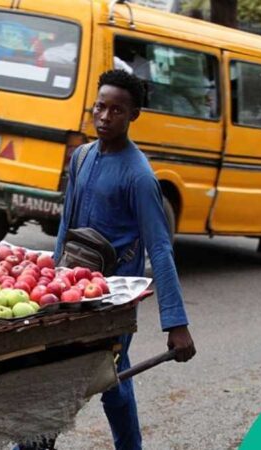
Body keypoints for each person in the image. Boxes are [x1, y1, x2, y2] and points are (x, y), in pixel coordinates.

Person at [24, 70, 197, 450]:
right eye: (100, 106)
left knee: (102, 378)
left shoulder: (138, 177)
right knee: (83, 375)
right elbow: (66, 227)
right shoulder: (82, 157)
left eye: (116, 110)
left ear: (134, 115)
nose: (104, 116)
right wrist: (48, 281)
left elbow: (161, 249)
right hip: (69, 291)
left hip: (112, 299)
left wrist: (176, 323)